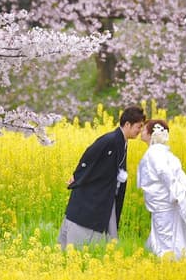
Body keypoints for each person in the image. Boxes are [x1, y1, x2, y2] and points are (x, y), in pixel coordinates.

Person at [58, 105, 147, 249]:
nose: (140, 130)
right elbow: (89, 156)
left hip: (106, 193)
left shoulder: (122, 142)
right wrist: (77, 176)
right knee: (86, 224)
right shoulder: (110, 139)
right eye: (139, 126)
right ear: (128, 124)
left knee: (105, 224)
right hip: (95, 193)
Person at [136, 118, 186, 260]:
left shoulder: (154, 153)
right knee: (167, 235)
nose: (141, 131)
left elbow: (164, 173)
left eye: (144, 129)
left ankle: (169, 266)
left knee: (164, 239)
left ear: (152, 133)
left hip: (162, 203)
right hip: (163, 202)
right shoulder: (163, 152)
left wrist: (175, 191)